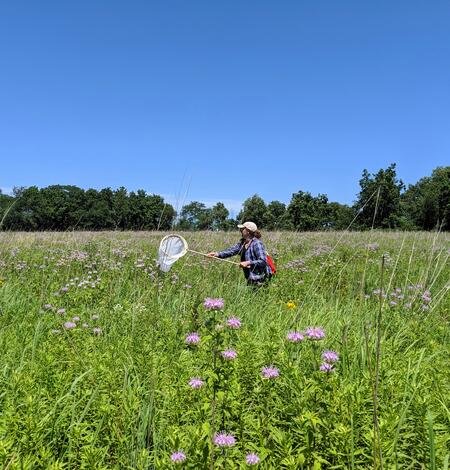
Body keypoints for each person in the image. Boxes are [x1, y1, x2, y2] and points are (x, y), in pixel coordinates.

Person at [207, 221, 271, 287]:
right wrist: (217, 254)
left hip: (260, 278)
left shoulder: (257, 243)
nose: (240, 230)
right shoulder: (242, 243)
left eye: (242, 229)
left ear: (248, 231)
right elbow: (231, 251)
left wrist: (248, 263)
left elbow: (263, 261)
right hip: (251, 278)